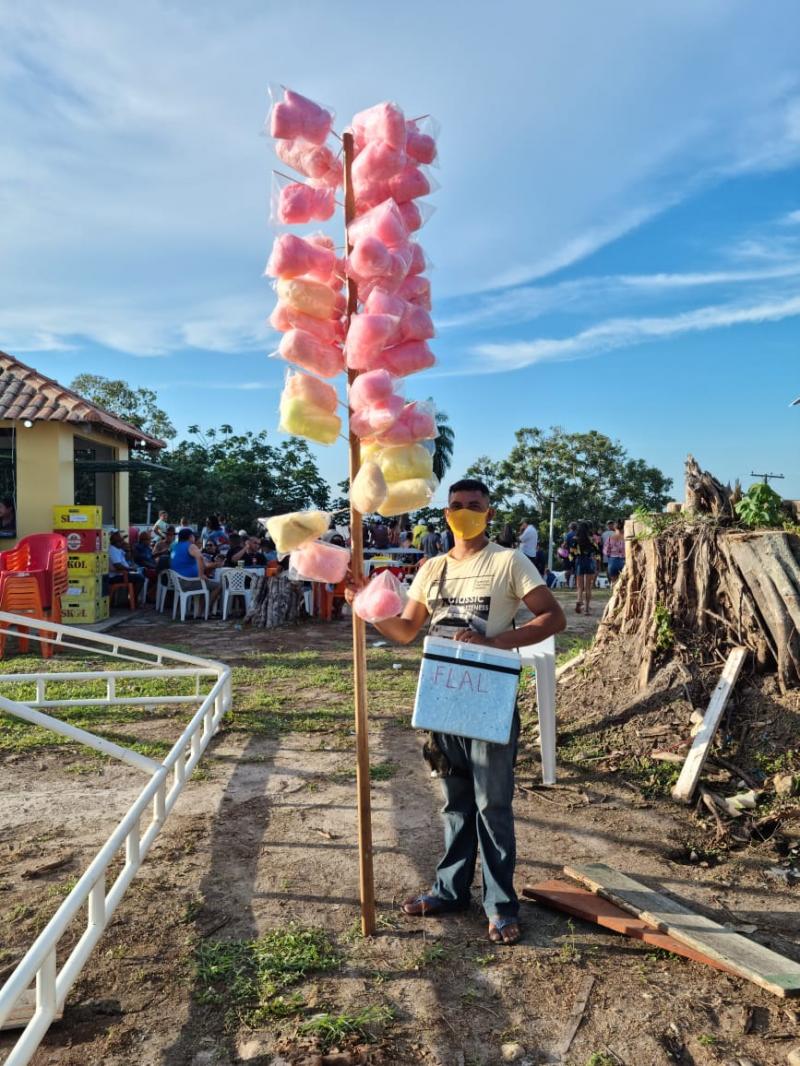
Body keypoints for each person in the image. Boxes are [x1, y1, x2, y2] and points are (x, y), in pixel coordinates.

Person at [345, 478, 565, 946]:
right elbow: (406, 630)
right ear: (446, 514)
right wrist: (365, 607)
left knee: (493, 805)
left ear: (488, 512)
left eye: (474, 506)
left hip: (490, 698)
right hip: (442, 699)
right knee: (456, 804)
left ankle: (501, 906)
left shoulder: (508, 561)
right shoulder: (431, 569)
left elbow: (552, 617)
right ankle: (450, 890)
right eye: (456, 506)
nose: (464, 512)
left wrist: (493, 641)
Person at [170, 528, 221, 608]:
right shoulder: (190, 546)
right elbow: (200, 558)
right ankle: (205, 611)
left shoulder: (175, 546)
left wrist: (215, 565)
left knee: (206, 583)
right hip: (188, 582)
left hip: (178, 582)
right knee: (218, 585)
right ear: (190, 537)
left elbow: (204, 564)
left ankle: (199, 612)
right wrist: (201, 575)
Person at [570, 520, 601, 614]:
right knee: (588, 587)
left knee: (579, 587)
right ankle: (587, 609)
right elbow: (597, 553)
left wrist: (572, 563)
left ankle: (579, 600)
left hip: (579, 562)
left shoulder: (575, 539)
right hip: (589, 562)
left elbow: (571, 554)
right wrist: (598, 564)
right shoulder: (592, 539)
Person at [108, 531, 145, 597]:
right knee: (140, 578)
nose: (122, 540)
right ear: (115, 539)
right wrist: (130, 569)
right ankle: (134, 600)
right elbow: (118, 566)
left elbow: (128, 558)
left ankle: (133, 599)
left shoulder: (118, 548)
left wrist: (128, 549)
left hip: (123, 573)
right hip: (115, 576)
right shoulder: (112, 550)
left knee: (142, 572)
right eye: (120, 539)